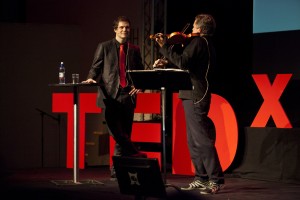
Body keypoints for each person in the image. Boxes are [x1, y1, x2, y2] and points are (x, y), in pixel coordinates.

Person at [153, 14, 224, 194]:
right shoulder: (200, 43)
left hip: (195, 94)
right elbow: (188, 64)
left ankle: (215, 180)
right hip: (190, 93)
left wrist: (165, 47)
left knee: (201, 139)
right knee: (192, 140)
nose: (191, 29)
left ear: (199, 29)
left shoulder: (199, 42)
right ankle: (201, 177)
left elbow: (184, 62)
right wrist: (167, 62)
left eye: (193, 26)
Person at [82, 16, 146, 180]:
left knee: (125, 134)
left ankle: (117, 170)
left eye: (127, 28)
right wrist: (91, 78)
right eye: (122, 27)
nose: (125, 30)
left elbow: (140, 72)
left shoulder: (135, 49)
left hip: (128, 97)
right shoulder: (105, 46)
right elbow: (95, 67)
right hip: (110, 96)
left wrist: (139, 86)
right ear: (115, 29)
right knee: (118, 134)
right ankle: (132, 158)